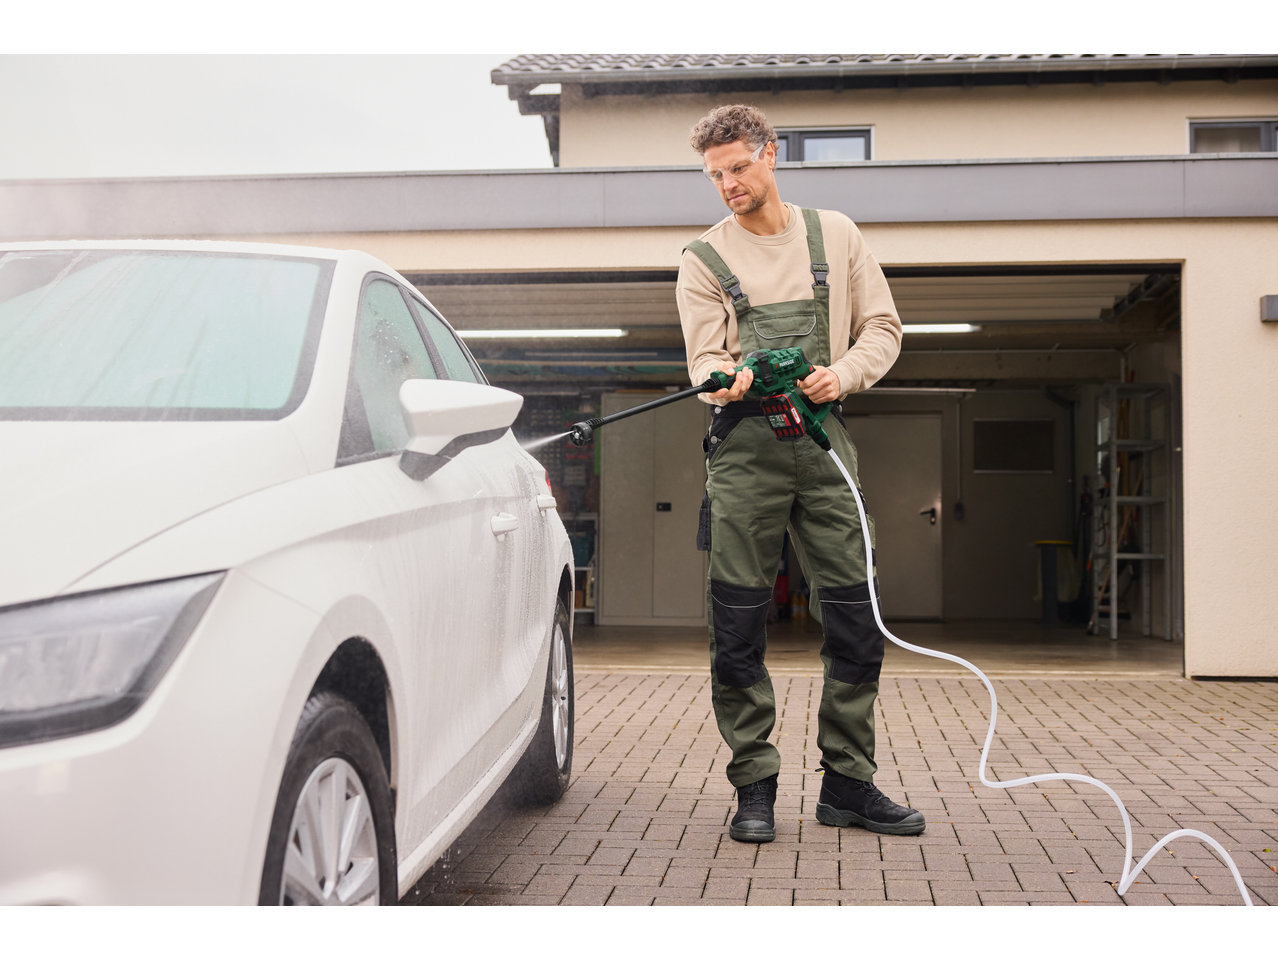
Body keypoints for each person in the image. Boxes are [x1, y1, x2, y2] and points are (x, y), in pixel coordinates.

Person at [677, 104, 924, 843]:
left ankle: (848, 782)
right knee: (738, 625)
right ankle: (754, 784)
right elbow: (704, 358)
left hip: (824, 449)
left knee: (854, 613)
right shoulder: (702, 259)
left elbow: (883, 326)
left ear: (771, 154)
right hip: (744, 455)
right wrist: (724, 376)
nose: (729, 183)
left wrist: (842, 374)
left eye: (740, 167)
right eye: (716, 174)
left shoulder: (835, 234)